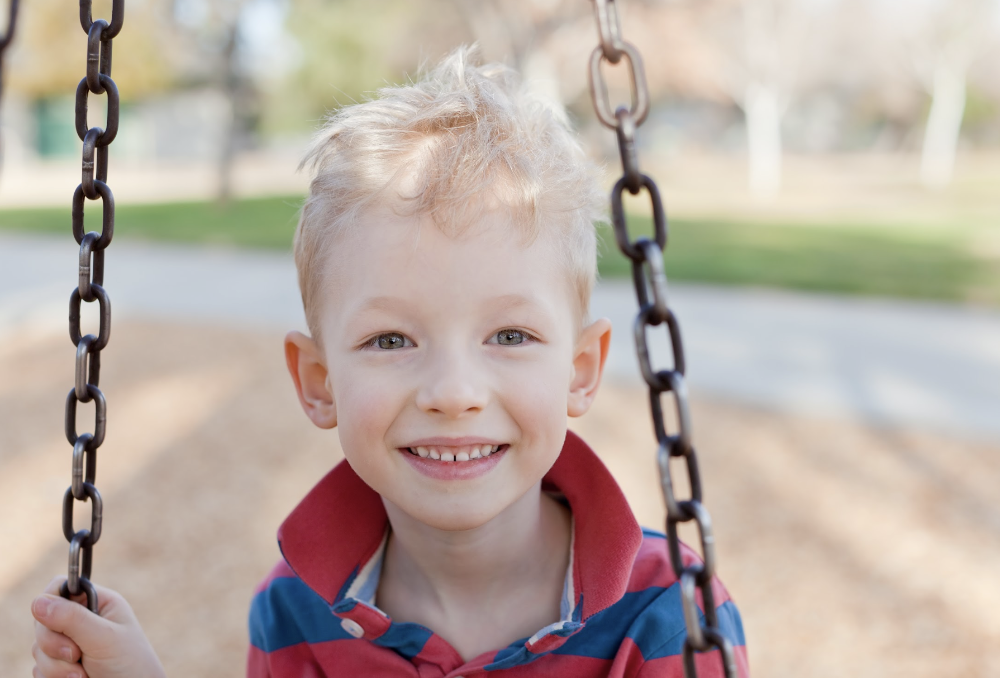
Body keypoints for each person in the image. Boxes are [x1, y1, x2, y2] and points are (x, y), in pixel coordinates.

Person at [30, 47, 748, 678]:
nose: (453, 393)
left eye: (510, 336)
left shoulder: (669, 618)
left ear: (581, 370)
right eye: (391, 341)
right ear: (319, 383)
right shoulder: (293, 614)